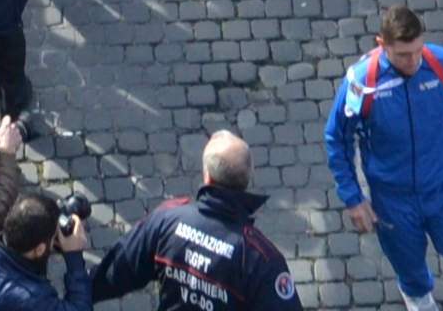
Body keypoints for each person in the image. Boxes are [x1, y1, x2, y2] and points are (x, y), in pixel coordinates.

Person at [324, 1, 443, 311]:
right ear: (381, 44)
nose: (413, 61)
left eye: (417, 50)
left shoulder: (442, 65)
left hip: (442, 188)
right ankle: (417, 297)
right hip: (392, 198)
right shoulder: (362, 83)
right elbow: (337, 136)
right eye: (402, 54)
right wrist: (353, 198)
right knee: (409, 265)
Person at [92, 132, 297, 311]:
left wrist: (74, 295)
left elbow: (116, 271)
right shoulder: (260, 258)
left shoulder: (167, 220)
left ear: (206, 176)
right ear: (252, 172)